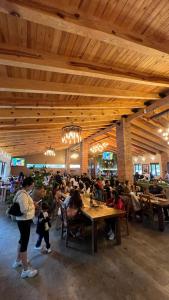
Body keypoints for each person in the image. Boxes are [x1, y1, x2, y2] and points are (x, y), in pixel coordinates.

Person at [12, 177, 38, 279]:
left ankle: (18, 260)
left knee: (21, 240)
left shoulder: (23, 193)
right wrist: (33, 206)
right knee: (24, 244)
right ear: (28, 185)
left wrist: (32, 204)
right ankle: (26, 270)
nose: (33, 186)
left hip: (23, 221)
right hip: (24, 221)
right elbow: (24, 209)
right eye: (32, 184)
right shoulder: (23, 195)